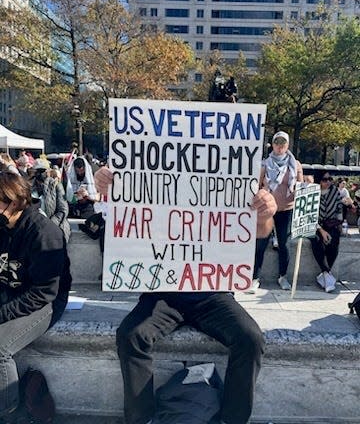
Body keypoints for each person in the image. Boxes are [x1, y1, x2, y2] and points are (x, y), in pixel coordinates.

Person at [94, 166, 277, 424]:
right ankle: (142, 419)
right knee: (131, 335)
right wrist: (110, 186)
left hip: (213, 291)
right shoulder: (154, 163)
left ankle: (232, 420)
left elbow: (261, 229)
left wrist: (265, 214)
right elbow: (127, 206)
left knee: (250, 338)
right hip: (163, 292)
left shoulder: (235, 166)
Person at [0, 171, 72, 422]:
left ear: (13, 201)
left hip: (44, 302)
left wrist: (2, 314)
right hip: (12, 292)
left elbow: (44, 292)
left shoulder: (44, 232)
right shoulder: (4, 227)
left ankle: (8, 413)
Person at [251, 131, 303, 292]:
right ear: (272, 145)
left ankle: (282, 276)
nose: (280, 147)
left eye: (283, 144)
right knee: (260, 244)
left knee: (284, 244)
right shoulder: (264, 164)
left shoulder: (295, 164)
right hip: (267, 211)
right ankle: (255, 277)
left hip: (286, 209)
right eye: (277, 143)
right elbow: (256, 186)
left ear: (287, 145)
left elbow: (300, 186)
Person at [308, 171, 343, 293]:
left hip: (330, 223)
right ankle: (326, 273)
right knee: (316, 240)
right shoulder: (313, 192)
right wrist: (321, 230)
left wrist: (340, 224)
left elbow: (339, 208)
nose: (328, 182)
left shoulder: (334, 191)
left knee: (334, 241)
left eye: (330, 179)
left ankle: (325, 274)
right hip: (315, 225)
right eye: (324, 179)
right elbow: (310, 214)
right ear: (319, 180)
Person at [30, 158, 71, 243]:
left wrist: (49, 224)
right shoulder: (29, 187)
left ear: (48, 171)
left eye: (43, 170)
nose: (40, 173)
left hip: (55, 228)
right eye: (38, 170)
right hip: (36, 231)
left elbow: (63, 210)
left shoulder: (56, 185)